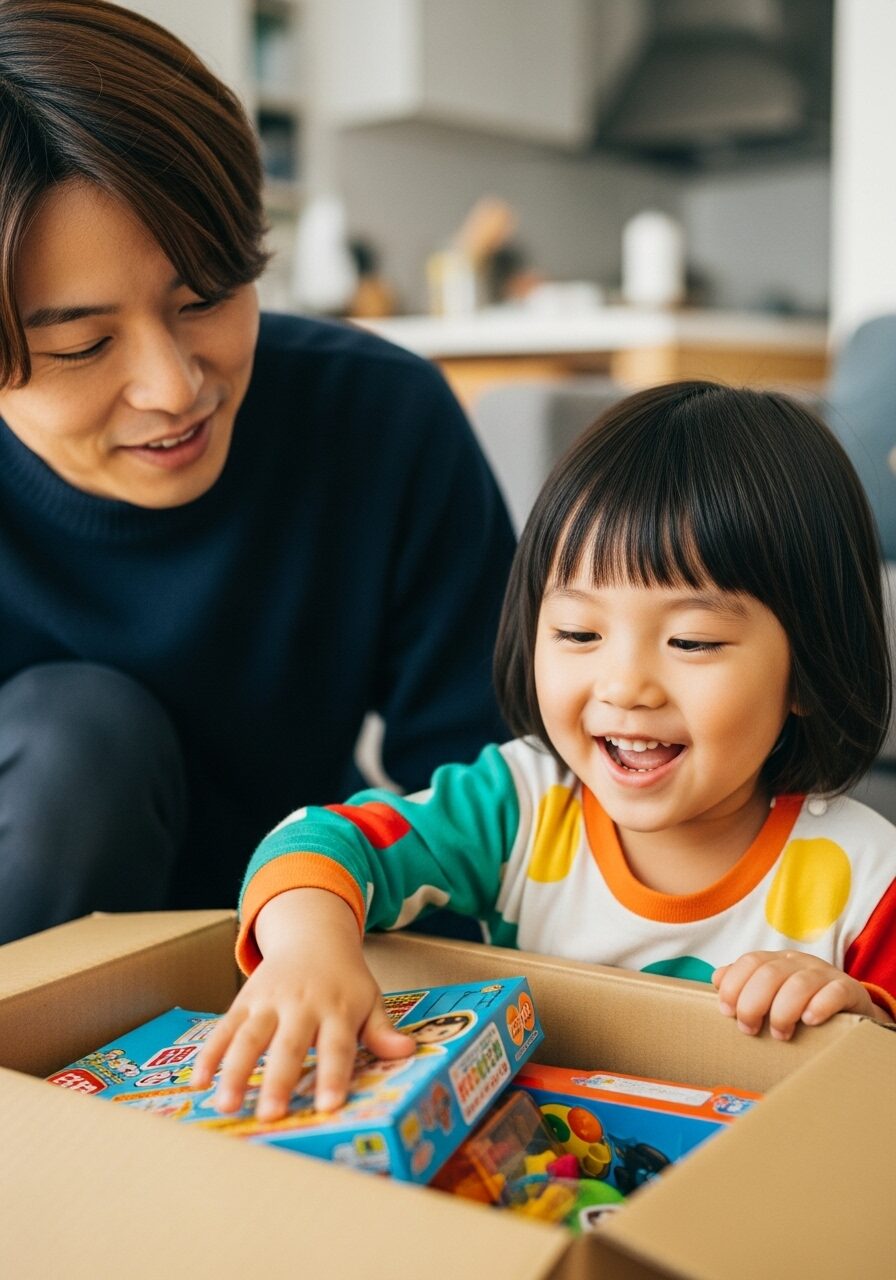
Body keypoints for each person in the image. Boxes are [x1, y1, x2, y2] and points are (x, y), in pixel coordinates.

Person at [193, 381, 896, 1120]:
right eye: (579, 634)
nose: (625, 686)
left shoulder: (869, 881)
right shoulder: (520, 807)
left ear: (808, 670)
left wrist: (858, 1015)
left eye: (691, 641)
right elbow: (316, 840)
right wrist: (311, 953)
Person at [0, 0, 515, 943]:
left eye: (207, 296)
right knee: (83, 739)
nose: (173, 386)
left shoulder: (378, 420)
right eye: (81, 346)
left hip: (305, 935)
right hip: (33, 959)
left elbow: (502, 798)